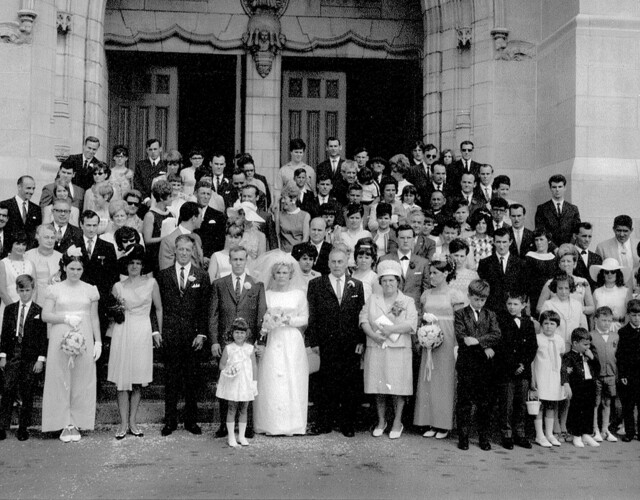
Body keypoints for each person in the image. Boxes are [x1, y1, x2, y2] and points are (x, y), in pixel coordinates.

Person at [41, 247, 102, 442]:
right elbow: (45, 315)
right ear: (64, 268)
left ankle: (77, 421)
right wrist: (65, 317)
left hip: (84, 336)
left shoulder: (90, 289)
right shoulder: (55, 289)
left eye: (79, 269)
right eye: (72, 268)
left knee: (82, 379)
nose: (75, 272)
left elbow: (94, 318)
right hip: (61, 335)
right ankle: (62, 422)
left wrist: (98, 341)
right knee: (60, 377)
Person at [307, 245, 365, 437]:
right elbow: (312, 315)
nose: (337, 265)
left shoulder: (356, 285)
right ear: (328, 262)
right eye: (333, 261)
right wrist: (313, 340)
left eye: (340, 261)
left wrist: (360, 340)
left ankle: (347, 423)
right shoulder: (316, 284)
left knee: (349, 383)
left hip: (350, 342)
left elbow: (360, 315)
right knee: (325, 382)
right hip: (326, 341)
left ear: (347, 262)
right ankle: (324, 422)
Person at [209, 245, 267, 438]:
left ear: (246, 260)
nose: (238, 263)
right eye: (235, 259)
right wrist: (215, 341)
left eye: (242, 259)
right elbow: (213, 315)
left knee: (246, 382)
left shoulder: (256, 284)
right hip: (227, 342)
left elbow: (261, 315)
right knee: (226, 379)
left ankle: (247, 424)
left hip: (247, 343)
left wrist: (260, 341)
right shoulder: (219, 284)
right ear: (230, 261)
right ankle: (224, 425)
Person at [156, 235, 210, 436]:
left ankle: (191, 420)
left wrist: (202, 334)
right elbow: (157, 306)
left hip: (192, 336)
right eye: (181, 249)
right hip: (170, 334)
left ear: (193, 252)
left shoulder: (202, 276)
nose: (184, 253)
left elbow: (205, 308)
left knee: (191, 380)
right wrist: (157, 331)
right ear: (175, 251)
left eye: (188, 250)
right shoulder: (163, 275)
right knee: (171, 380)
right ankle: (170, 421)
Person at [107, 245, 163, 439]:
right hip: (123, 331)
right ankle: (123, 423)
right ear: (126, 265)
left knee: (138, 379)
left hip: (142, 330)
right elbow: (114, 312)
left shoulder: (151, 283)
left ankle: (133, 421)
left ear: (143, 265)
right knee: (122, 381)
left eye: (138, 263)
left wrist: (158, 331)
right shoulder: (118, 286)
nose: (134, 266)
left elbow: (158, 309)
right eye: (131, 263)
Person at [253, 252, 309, 436]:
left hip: (291, 340)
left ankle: (292, 424)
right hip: (272, 338)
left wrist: (287, 320)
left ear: (291, 275)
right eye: (278, 273)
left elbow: (305, 318)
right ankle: (270, 423)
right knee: (271, 378)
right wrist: (269, 322)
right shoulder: (266, 295)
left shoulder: (299, 295)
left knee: (291, 377)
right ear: (273, 275)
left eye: (285, 273)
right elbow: (260, 317)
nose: (282, 276)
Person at [360, 260, 417, 439]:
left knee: (398, 387)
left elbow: (411, 323)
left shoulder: (406, 301)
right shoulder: (373, 299)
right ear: (380, 282)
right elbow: (363, 319)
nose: (388, 284)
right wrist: (373, 334)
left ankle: (397, 422)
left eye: (392, 280)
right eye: (384, 281)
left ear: (398, 281)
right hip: (377, 346)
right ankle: (381, 421)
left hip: (398, 350)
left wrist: (391, 329)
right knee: (379, 386)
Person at [414, 256, 465, 440]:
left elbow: (460, 322)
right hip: (430, 339)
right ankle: (429, 421)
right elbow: (421, 317)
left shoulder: (455, 295)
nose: (432, 276)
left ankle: (443, 424)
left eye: (436, 273)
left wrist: (458, 345)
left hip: (448, 339)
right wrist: (423, 336)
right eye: (430, 273)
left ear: (446, 273)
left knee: (445, 380)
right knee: (429, 379)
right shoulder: (426, 294)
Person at [454, 279, 501, 451]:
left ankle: (483, 437)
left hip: (485, 365)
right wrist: (485, 345)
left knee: (485, 403)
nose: (479, 302)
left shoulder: (490, 314)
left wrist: (479, 341)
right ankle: (463, 437)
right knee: (464, 402)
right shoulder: (460, 313)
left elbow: (496, 334)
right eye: (476, 299)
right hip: (467, 363)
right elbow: (462, 337)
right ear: (469, 296)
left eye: (482, 300)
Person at [0, 275, 47, 441]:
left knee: (27, 392)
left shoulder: (39, 311)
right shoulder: (10, 309)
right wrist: (3, 356)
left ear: (33, 290)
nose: (25, 294)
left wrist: (40, 359)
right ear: (17, 291)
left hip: (30, 356)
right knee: (7, 389)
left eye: (28, 290)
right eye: (22, 290)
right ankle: (2, 426)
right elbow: (4, 334)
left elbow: (42, 337)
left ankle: (23, 428)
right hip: (13, 354)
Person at [496, 291, 537, 449]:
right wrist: (513, 365)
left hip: (523, 369)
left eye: (515, 304)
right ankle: (506, 434)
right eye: (509, 304)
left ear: (523, 305)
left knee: (521, 403)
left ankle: (520, 433)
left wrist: (524, 364)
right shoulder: (501, 322)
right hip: (507, 370)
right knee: (507, 403)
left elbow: (532, 347)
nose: (512, 307)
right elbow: (501, 347)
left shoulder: (528, 323)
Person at [216, 318, 258, 447]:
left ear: (246, 334)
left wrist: (254, 382)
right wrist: (229, 370)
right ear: (232, 333)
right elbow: (222, 365)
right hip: (233, 382)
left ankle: (241, 435)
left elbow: (254, 366)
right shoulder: (229, 348)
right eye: (237, 332)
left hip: (245, 383)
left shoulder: (250, 349)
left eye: (242, 333)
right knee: (232, 408)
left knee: (244, 408)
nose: (239, 335)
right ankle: (231, 436)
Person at [530, 310, 566, 448]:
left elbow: (561, 357)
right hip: (541, 375)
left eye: (552, 324)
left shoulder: (559, 340)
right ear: (541, 324)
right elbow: (532, 360)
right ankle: (539, 435)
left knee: (551, 405)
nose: (549, 326)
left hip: (554, 377)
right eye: (545, 323)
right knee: (539, 405)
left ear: (557, 325)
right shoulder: (537, 339)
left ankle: (549, 434)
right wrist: (533, 380)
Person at [562, 327, 601, 448]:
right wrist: (566, 384)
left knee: (589, 409)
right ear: (575, 343)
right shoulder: (568, 356)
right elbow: (564, 371)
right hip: (577, 386)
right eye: (585, 344)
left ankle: (586, 434)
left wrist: (592, 357)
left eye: (589, 344)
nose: (587, 347)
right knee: (577, 411)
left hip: (589, 385)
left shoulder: (589, 355)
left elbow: (598, 368)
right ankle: (576, 434)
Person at [378, 224, 430, 313]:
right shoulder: (384, 260)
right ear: (397, 239)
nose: (405, 241)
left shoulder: (423, 262)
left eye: (409, 238)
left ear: (414, 240)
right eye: (402, 238)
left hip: (414, 310)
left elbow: (426, 291)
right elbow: (379, 287)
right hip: (389, 309)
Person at [536, 243, 595, 317]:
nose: (565, 264)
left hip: (578, 321)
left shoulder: (583, 282)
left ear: (575, 264)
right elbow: (539, 308)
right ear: (559, 264)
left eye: (569, 261)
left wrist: (579, 308)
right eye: (563, 261)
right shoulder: (550, 282)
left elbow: (591, 308)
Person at [477, 228, 526, 315]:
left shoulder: (520, 263)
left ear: (510, 242)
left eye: (504, 242)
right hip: (491, 311)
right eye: (498, 242)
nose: (501, 246)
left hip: (513, 311)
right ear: (494, 242)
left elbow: (523, 289)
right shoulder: (484, 263)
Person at [589, 306, 619, 442]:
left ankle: (605, 429)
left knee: (607, 402)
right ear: (596, 319)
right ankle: (594, 429)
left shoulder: (615, 336)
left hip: (611, 375)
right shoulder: (591, 335)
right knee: (595, 403)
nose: (606, 323)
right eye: (603, 320)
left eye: (609, 320)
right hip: (596, 375)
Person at [541, 272, 588, 350]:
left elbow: (583, 327)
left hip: (573, 347)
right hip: (554, 346)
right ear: (555, 288)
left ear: (571, 288)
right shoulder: (548, 304)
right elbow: (542, 328)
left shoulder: (577, 305)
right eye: (560, 288)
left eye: (566, 288)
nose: (563, 292)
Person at [0, 232, 36, 328]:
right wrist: (15, 312)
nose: (21, 247)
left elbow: (35, 289)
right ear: (11, 244)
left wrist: (30, 311)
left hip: (28, 311)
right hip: (9, 309)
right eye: (17, 243)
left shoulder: (30, 264)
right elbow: (2, 292)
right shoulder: (3, 264)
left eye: (23, 244)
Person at [616, 299, 640, 442]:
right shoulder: (623, 332)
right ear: (628, 315)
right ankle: (630, 432)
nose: (636, 318)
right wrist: (623, 373)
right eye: (633, 315)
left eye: (639, 315)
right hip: (629, 374)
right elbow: (620, 355)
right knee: (628, 405)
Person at [534, 174, 581, 246]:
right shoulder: (542, 209)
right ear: (550, 188)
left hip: (568, 250)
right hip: (549, 250)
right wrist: (554, 248)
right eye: (554, 187)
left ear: (565, 188)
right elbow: (540, 232)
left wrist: (568, 247)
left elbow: (576, 232)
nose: (557, 190)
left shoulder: (573, 209)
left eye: (560, 187)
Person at [595, 215, 639, 289]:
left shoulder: (638, 245)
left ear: (631, 230)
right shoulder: (602, 247)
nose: (622, 234)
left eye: (625, 231)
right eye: (618, 230)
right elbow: (598, 274)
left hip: (636, 290)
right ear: (613, 229)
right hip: (613, 291)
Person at [158, 202, 204, 271]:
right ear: (194, 218)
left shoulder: (197, 238)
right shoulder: (169, 241)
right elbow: (166, 272)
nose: (202, 219)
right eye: (201, 216)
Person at [142, 180, 174, 276]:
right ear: (161, 198)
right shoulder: (150, 215)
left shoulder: (170, 214)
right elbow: (147, 240)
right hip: (154, 257)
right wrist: (165, 238)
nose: (172, 199)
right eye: (170, 196)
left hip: (167, 255)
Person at [0, 175, 42, 249]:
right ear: (19, 187)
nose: (31, 191)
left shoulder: (36, 209)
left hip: (29, 252)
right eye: (28, 188)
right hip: (9, 252)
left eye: (33, 189)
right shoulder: (5, 205)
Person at [24, 225, 62, 306]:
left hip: (55, 303)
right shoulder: (27, 256)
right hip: (33, 302)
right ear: (37, 237)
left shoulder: (61, 257)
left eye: (52, 238)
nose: (50, 241)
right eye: (46, 237)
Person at [590, 258, 631, 329]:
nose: (609, 274)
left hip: (621, 328)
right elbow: (593, 316)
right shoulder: (597, 292)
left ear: (617, 273)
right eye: (606, 272)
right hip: (600, 330)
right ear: (603, 274)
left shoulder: (625, 291)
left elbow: (629, 314)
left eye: (613, 271)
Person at [525, 229, 557, 311]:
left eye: (541, 239)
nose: (538, 242)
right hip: (533, 294)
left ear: (548, 241)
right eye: (536, 240)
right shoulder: (529, 257)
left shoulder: (553, 258)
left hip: (549, 294)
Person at [273, 182, 310, 253]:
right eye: (282, 198)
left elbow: (305, 238)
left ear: (293, 200)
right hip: (283, 253)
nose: (282, 201)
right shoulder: (279, 215)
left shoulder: (305, 215)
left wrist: (299, 253)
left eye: (284, 198)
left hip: (299, 253)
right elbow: (277, 236)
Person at [133, 139, 166, 205]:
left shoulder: (165, 165)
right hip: (144, 202)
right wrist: (146, 199)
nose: (153, 152)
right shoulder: (140, 165)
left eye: (155, 149)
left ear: (160, 149)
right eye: (150, 149)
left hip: (162, 201)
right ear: (147, 150)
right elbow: (137, 184)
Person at [572, 222, 602, 291]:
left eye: (589, 236)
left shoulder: (597, 258)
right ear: (575, 236)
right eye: (584, 236)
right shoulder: (568, 255)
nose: (587, 240)